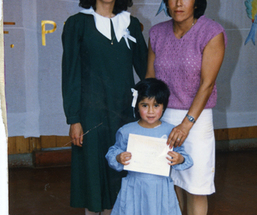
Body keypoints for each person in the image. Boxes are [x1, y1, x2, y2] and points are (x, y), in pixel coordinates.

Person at [61, 0, 148, 214]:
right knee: (93, 176)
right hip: (90, 115)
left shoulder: (131, 23)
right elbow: (70, 74)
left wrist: (150, 111)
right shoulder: (77, 24)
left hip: (124, 115)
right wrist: (74, 118)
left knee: (121, 174)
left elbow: (147, 70)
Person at [146, 0, 227, 214]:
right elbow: (150, 78)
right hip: (161, 118)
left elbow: (207, 85)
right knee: (170, 183)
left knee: (196, 186)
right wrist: (148, 119)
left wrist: (186, 124)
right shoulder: (156, 33)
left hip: (196, 120)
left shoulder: (211, 32)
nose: (179, 3)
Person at [105, 78, 193, 215]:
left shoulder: (171, 132)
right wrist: (118, 157)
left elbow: (186, 158)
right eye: (145, 105)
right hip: (134, 188)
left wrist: (179, 159)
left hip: (161, 190)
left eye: (156, 105)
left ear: (164, 106)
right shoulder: (126, 131)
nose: (151, 111)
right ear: (137, 106)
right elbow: (113, 152)